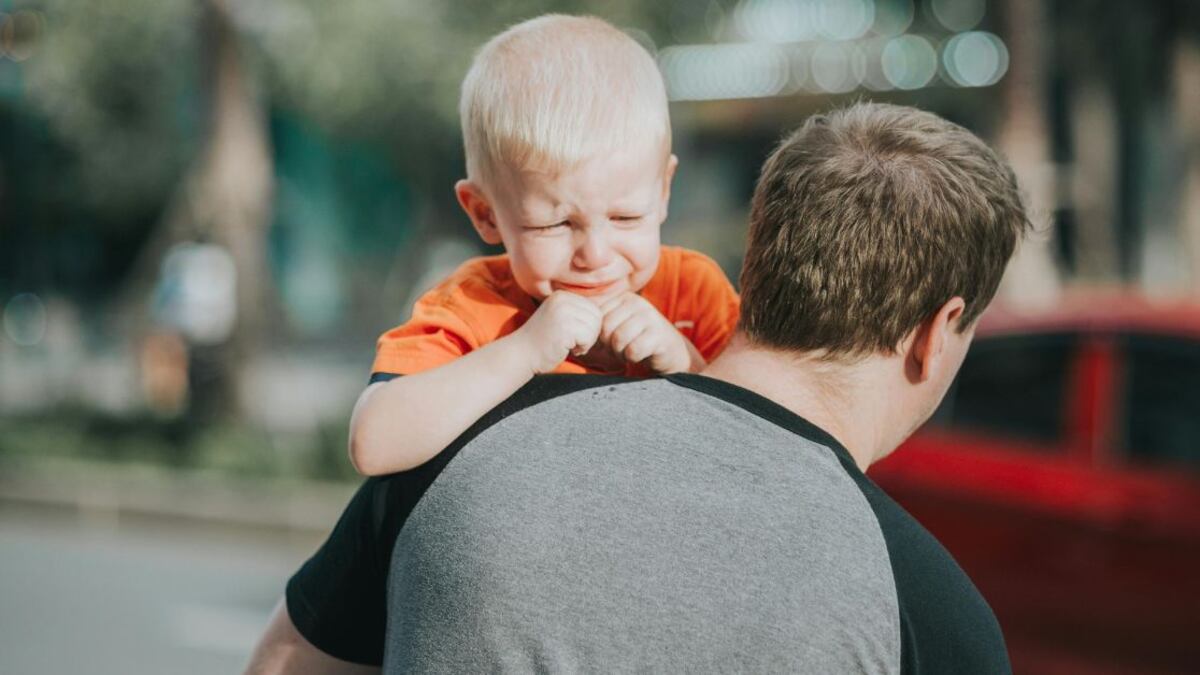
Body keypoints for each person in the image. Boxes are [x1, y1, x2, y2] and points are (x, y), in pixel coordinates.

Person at [245, 102, 1029, 674]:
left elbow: (281, 665)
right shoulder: (934, 617)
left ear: (759, 260)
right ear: (937, 331)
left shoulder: (457, 451)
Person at [347, 15, 740, 476]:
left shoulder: (693, 292)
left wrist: (686, 363)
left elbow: (767, 444)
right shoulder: (473, 307)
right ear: (484, 213)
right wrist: (522, 351)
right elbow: (374, 445)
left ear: (664, 191)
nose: (595, 255)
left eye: (625, 217)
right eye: (554, 224)